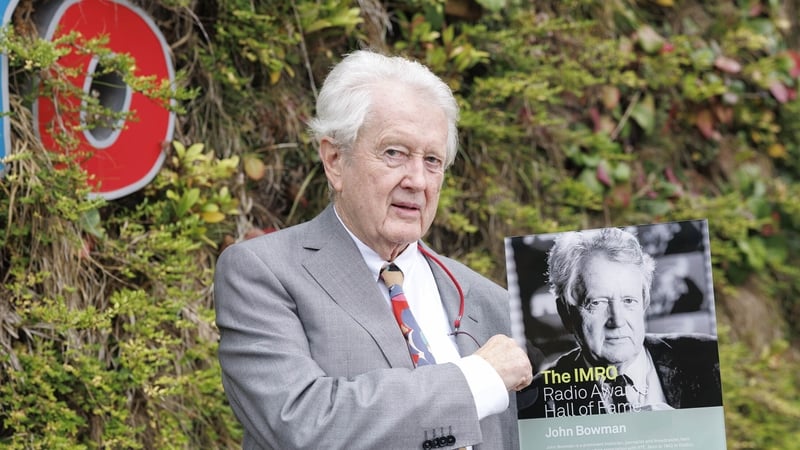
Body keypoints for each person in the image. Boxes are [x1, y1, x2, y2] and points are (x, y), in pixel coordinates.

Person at [214, 50, 532, 450]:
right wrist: (477, 379)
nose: (417, 180)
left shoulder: (492, 301)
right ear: (334, 159)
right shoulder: (263, 272)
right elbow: (301, 423)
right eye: (394, 153)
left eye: (432, 160)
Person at [519, 227, 722, 419]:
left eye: (628, 301)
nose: (617, 321)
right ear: (565, 312)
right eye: (597, 303)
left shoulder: (708, 359)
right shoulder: (537, 401)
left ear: (645, 301)